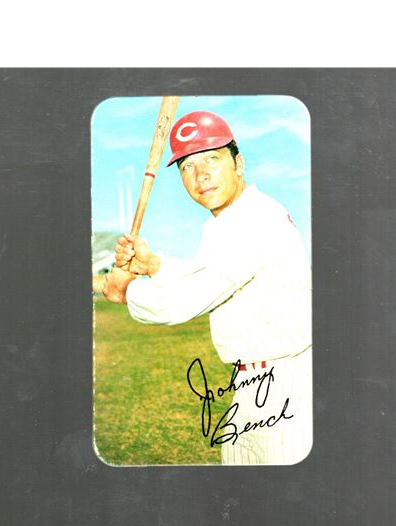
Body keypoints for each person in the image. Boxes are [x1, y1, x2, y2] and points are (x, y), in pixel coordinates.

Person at [102, 110, 312, 465]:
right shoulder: (230, 221)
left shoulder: (256, 220)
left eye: (212, 159)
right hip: (251, 384)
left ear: (238, 164)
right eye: (187, 166)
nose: (200, 175)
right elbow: (211, 274)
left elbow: (186, 299)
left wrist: (126, 290)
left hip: (285, 387)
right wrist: (153, 265)